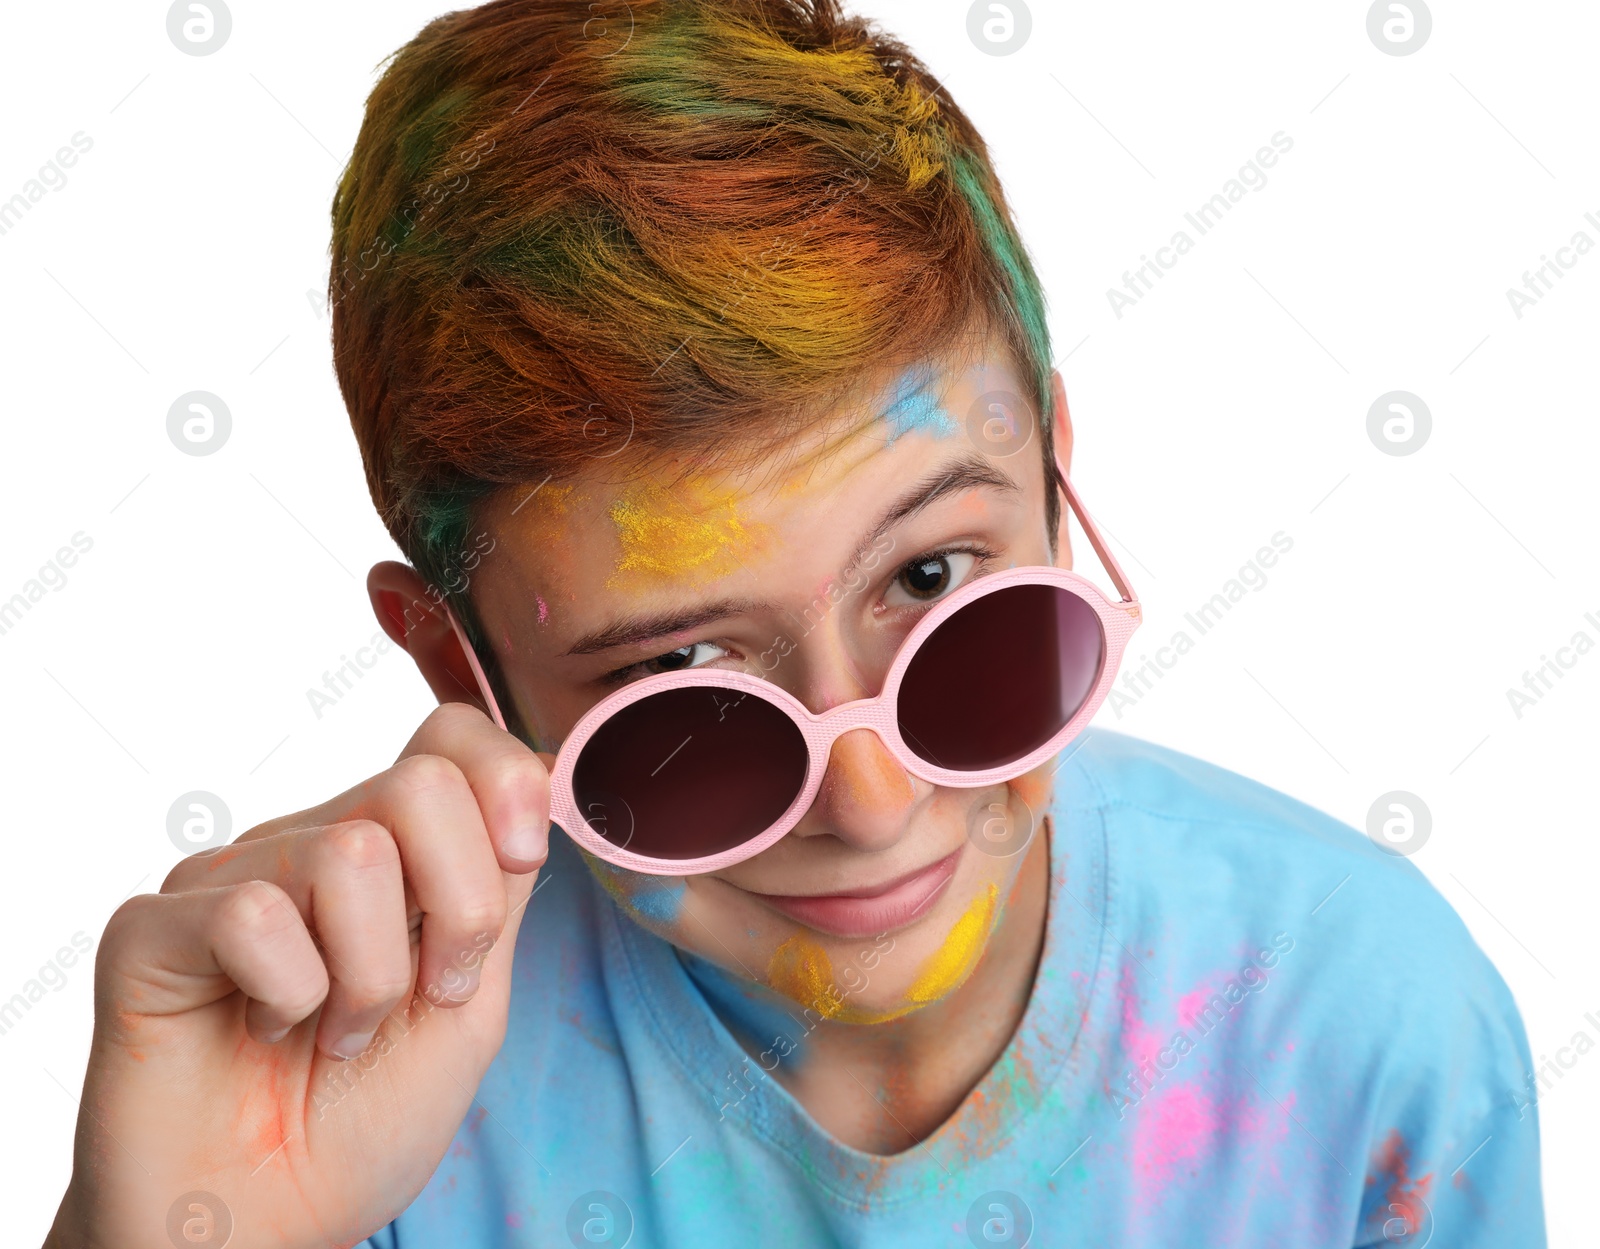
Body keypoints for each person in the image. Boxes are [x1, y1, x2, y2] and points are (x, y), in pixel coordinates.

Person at [45, 1, 1545, 1245]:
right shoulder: (350, 1095)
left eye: (939, 584)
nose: (875, 799)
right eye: (684, 685)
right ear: (462, 669)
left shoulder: (1364, 1022)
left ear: (1053, 484)